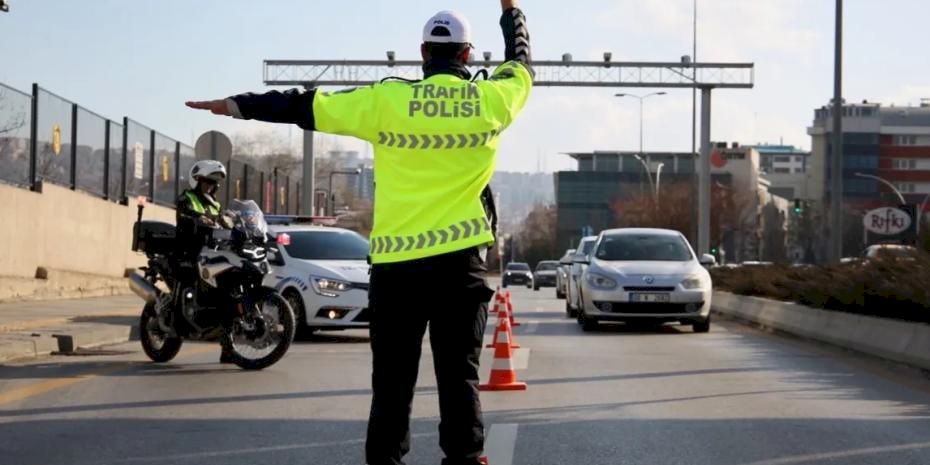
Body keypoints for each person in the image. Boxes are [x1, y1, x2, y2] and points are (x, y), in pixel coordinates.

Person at [185, 1, 532, 462]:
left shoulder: (385, 101)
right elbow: (521, 63)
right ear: (467, 56)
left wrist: (237, 106)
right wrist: (512, 11)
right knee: (459, 379)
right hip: (460, 269)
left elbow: (303, 106)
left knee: (391, 384)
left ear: (423, 54)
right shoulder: (491, 100)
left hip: (397, 273)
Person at [174, 159, 233, 363]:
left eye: (213, 183)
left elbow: (223, 222)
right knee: (188, 284)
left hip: (212, 253)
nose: (210, 186)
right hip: (189, 251)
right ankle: (180, 319)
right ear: (196, 181)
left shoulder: (215, 203)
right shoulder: (187, 198)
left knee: (226, 294)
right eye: (207, 182)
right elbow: (186, 213)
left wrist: (232, 222)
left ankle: (228, 347)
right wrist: (198, 218)